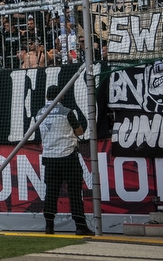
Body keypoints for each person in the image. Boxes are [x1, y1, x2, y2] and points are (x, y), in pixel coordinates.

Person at [37, 85, 92, 236]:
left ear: (47, 97)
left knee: (51, 193)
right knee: (75, 192)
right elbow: (80, 130)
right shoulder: (67, 112)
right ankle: (80, 226)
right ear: (61, 96)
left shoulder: (39, 113)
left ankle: (49, 226)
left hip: (49, 158)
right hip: (68, 157)